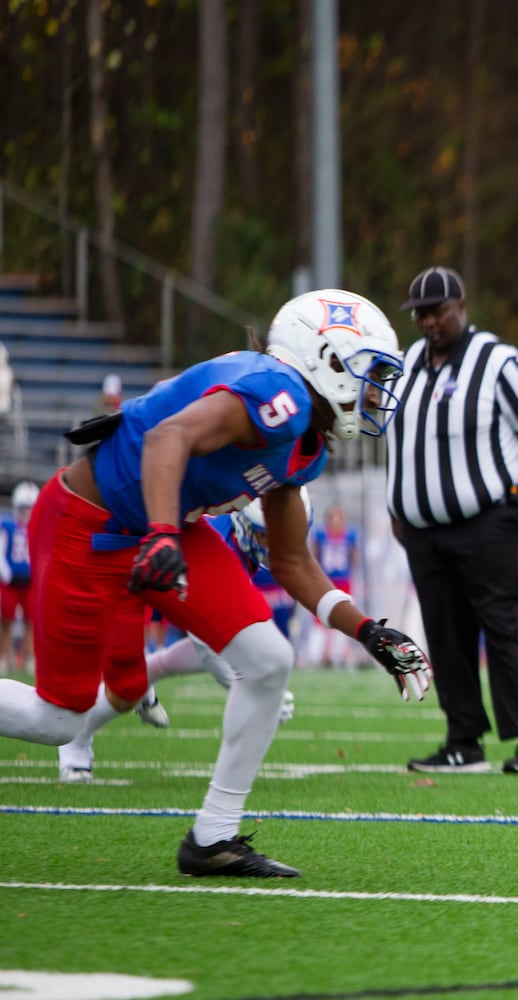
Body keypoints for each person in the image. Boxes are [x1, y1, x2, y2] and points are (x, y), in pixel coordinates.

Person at [0, 288, 431, 877]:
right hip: (92, 523)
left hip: (165, 526)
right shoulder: (278, 392)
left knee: (268, 657)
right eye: (370, 372)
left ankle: (213, 837)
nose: (378, 390)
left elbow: (291, 562)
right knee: (57, 720)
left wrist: (368, 631)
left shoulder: (307, 448)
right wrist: (160, 532)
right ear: (326, 360)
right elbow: (166, 438)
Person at [387, 265, 518, 776]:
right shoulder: (405, 365)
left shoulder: (499, 361)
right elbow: (400, 442)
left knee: (504, 623)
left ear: (461, 306)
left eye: (438, 312)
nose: (429, 322)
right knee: (444, 631)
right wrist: (396, 505)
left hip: (491, 519)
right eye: (421, 314)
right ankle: (462, 740)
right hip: (425, 529)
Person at [56, 491, 311, 781]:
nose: (279, 543)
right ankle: (74, 741)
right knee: (127, 687)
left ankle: (147, 674)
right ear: (245, 526)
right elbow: (205, 643)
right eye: (268, 535)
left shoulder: (241, 539)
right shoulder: (222, 545)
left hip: (158, 575)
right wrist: (254, 691)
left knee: (155, 672)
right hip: (127, 570)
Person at [308, 503, 360, 666]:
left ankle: (337, 656)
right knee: (319, 619)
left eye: (339, 518)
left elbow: (353, 558)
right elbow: (314, 556)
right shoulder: (321, 534)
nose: (337, 521)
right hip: (324, 582)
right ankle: (316, 656)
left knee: (343, 618)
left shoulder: (350, 535)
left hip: (343, 582)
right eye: (334, 518)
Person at [0, 481, 38, 673]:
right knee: (6, 620)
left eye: (30, 507)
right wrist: (5, 572)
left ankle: (30, 658)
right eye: (24, 507)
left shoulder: (37, 527)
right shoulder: (7, 525)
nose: (27, 512)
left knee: (30, 621)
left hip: (29, 581)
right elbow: (1, 550)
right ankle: (4, 657)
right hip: (10, 582)